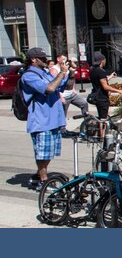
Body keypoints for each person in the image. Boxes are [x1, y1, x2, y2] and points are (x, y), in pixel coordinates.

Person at [21, 47, 69, 191]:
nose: (46, 60)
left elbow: (58, 85)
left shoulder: (44, 73)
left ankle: (38, 176)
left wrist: (65, 73)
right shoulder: (29, 76)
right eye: (42, 58)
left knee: (49, 152)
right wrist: (61, 73)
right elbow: (49, 88)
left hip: (53, 119)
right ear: (33, 60)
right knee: (42, 152)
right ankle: (43, 181)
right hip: (41, 120)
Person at [89, 52, 122, 119]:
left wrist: (110, 77)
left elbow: (100, 81)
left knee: (102, 116)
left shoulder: (92, 70)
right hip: (102, 98)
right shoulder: (100, 71)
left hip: (97, 96)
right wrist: (119, 91)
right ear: (102, 61)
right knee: (103, 118)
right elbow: (105, 86)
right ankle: (102, 129)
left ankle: (102, 128)